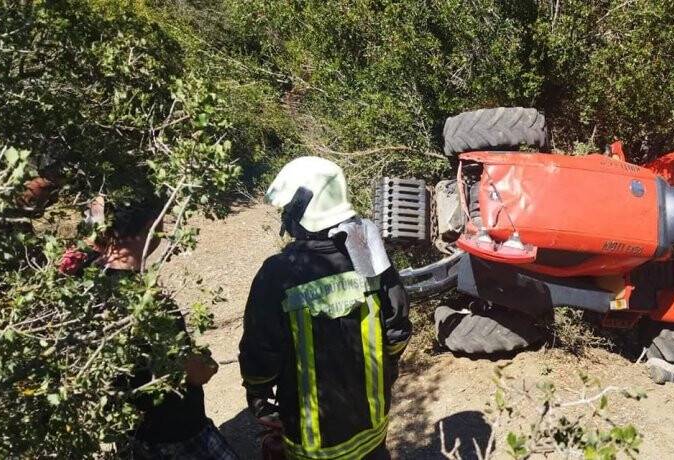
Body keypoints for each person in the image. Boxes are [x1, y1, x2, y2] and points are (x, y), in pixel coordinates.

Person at [239, 157, 411, 460]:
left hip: (312, 441)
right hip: (372, 426)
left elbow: (260, 353)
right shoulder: (368, 254)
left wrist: (259, 395)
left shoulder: (278, 273)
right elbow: (397, 331)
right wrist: (385, 372)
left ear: (299, 211)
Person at [60, 196, 236, 459]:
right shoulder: (149, 302)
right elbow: (192, 372)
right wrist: (208, 365)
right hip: (176, 431)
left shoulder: (82, 278)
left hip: (129, 431)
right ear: (152, 227)